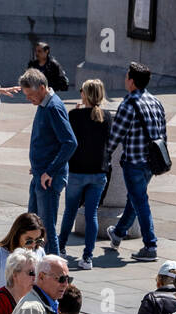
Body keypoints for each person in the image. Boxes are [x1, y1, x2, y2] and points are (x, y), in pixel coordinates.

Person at [105, 61, 167, 263]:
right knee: (135, 198)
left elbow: (115, 136)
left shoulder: (128, 104)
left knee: (140, 201)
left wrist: (104, 155)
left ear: (131, 81)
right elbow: (163, 135)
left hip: (134, 161)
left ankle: (150, 245)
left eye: (126, 76)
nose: (125, 79)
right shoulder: (156, 102)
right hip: (151, 162)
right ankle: (119, 232)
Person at [20, 68, 75, 257]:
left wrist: (50, 170)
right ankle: (34, 263)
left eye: (31, 95)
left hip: (48, 178)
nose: (29, 99)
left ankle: (54, 268)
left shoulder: (53, 107)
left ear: (42, 88)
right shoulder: (45, 105)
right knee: (32, 223)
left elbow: (70, 143)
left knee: (45, 227)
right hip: (40, 173)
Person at [58, 78, 111, 270]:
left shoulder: (75, 115)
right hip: (98, 172)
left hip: (77, 171)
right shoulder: (106, 116)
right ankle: (88, 257)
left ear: (84, 94)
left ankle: (60, 247)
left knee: (70, 211)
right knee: (91, 215)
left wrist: (78, 110)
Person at [0, 211, 43, 312]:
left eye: (38, 240)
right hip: (1, 310)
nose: (33, 245)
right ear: (17, 234)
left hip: (28, 311)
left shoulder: (39, 252)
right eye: (29, 240)